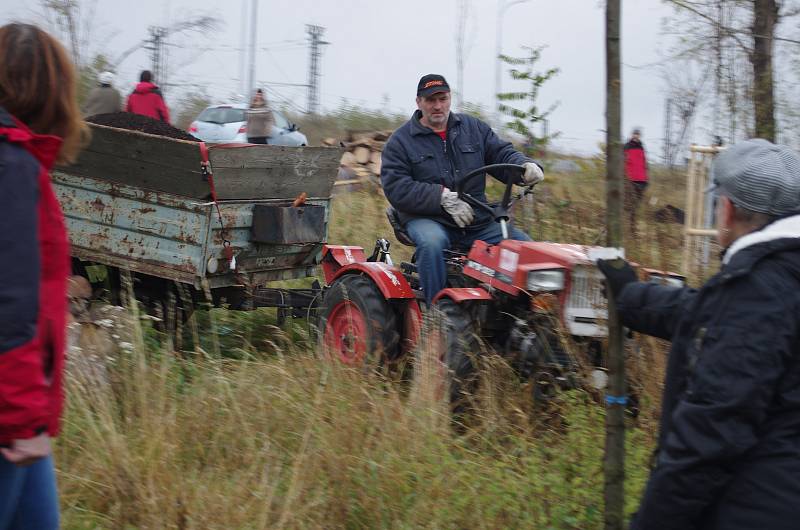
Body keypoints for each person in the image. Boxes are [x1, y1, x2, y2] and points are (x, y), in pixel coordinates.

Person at [598, 139, 800, 530]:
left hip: (760, 506)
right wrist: (630, 296)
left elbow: (709, 437)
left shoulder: (756, 287)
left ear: (726, 209)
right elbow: (707, 312)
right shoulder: (779, 276)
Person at [0, 22, 89, 529]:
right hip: (10, 424)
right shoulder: (12, 166)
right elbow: (10, 302)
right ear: (49, 88)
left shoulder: (18, 160)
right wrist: (19, 421)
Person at [381, 74, 544, 304]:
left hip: (477, 220)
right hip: (429, 218)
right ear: (418, 102)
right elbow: (397, 187)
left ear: (450, 98)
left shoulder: (474, 129)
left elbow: (501, 153)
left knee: (525, 248)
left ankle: (522, 316)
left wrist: (524, 166)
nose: (437, 106)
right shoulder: (400, 142)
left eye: (442, 98)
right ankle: (435, 314)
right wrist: (441, 197)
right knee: (431, 243)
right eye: (430, 100)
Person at [624, 128, 649, 233]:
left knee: (636, 205)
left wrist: (646, 178)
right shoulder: (626, 147)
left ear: (639, 136)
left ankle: (632, 226)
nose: (636, 136)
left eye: (638, 134)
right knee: (629, 204)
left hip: (641, 179)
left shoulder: (641, 147)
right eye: (635, 134)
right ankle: (630, 226)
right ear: (632, 135)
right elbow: (623, 162)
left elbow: (644, 163)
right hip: (630, 179)